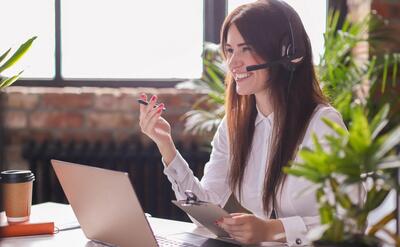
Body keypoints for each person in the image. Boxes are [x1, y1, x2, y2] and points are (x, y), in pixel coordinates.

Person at [139, 0, 346, 246]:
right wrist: (166, 147)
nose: (232, 62)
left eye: (245, 48)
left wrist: (273, 230)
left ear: (287, 52)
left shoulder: (322, 123)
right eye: (229, 50)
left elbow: (347, 220)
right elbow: (207, 205)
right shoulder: (234, 124)